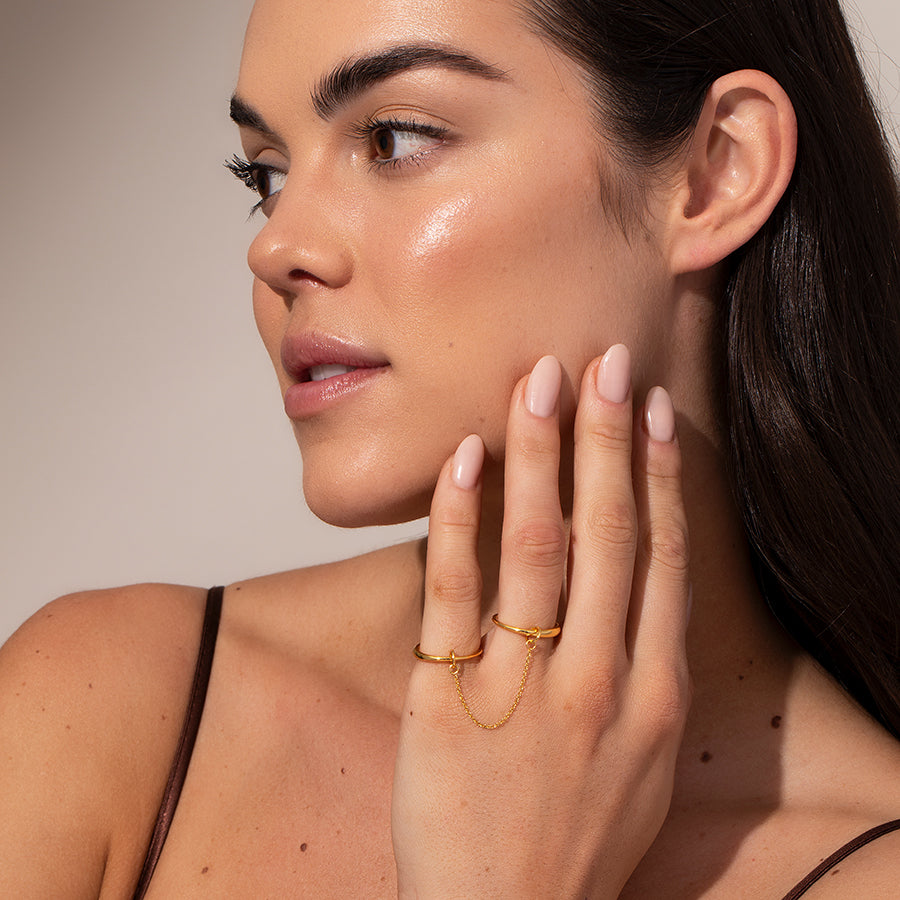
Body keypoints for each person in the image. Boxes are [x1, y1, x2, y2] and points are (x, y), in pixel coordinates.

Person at [2, 0, 899, 895]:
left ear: (719, 171)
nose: (275, 248)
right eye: (265, 174)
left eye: (392, 140)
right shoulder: (108, 712)